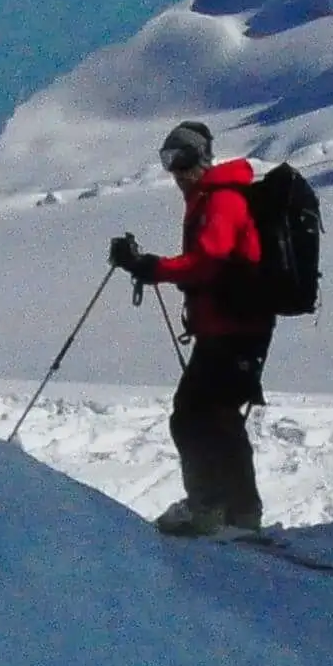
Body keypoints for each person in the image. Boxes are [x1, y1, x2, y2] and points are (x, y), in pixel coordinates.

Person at [111, 118, 273, 537]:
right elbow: (209, 265)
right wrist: (150, 266)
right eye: (169, 161)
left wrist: (153, 268)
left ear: (201, 159)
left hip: (233, 331)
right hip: (231, 328)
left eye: (182, 160)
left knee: (193, 418)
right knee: (217, 417)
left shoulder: (222, 200)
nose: (176, 173)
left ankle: (211, 508)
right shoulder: (210, 198)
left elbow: (208, 261)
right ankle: (238, 512)